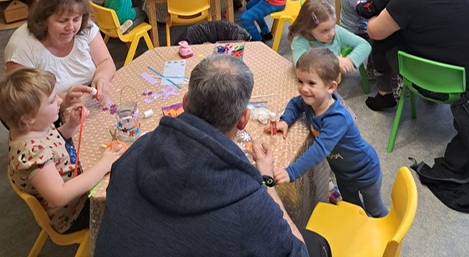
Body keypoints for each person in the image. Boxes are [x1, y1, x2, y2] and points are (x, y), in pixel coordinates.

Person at [95, 54, 327, 257]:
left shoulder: (136, 150)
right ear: (243, 120)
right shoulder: (248, 203)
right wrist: (267, 182)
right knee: (316, 243)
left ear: (185, 102)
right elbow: (300, 253)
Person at [0, 68, 126, 234]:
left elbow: (52, 141)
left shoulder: (32, 126)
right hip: (73, 213)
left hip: (74, 178)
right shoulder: (32, 153)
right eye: (52, 101)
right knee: (127, 194)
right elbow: (60, 196)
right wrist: (103, 165)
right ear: (28, 118)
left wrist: (70, 125)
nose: (60, 101)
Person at [271, 49, 388, 218]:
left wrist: (292, 172)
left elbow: (319, 150)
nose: (303, 89)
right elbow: (295, 104)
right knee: (352, 208)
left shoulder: (337, 118)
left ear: (331, 87)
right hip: (343, 173)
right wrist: (285, 121)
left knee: (375, 210)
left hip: (365, 172)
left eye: (311, 83)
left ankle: (389, 230)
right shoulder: (310, 101)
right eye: (300, 81)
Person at [4, 0, 115, 108]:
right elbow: (24, 101)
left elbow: (105, 61)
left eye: (76, 19)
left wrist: (101, 78)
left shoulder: (85, 27)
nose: (70, 27)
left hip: (88, 101)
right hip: (49, 112)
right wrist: (64, 101)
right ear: (43, 20)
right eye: (62, 21)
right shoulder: (22, 47)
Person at [355, 0, 407, 110]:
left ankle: (384, 94)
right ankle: (402, 85)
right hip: (404, 41)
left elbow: (367, 10)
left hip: (384, 42)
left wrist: (359, 5)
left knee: (381, 66)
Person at [289, 0, 372, 74]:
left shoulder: (337, 31)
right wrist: (334, 60)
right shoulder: (300, 40)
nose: (332, 33)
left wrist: (350, 60)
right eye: (324, 31)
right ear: (308, 28)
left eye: (333, 26)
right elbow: (300, 65)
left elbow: (365, 45)